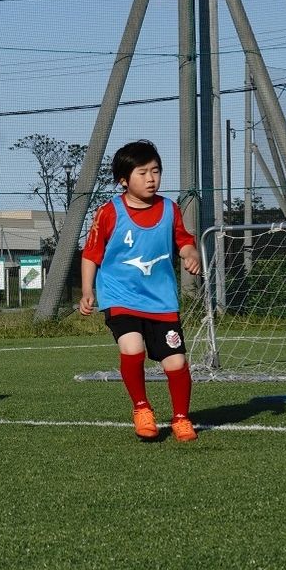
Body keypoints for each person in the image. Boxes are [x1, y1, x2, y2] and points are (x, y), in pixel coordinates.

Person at [78, 140, 202, 442]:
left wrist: (191, 254)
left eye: (155, 171)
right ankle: (142, 408)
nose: (151, 179)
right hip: (120, 296)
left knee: (176, 362)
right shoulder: (109, 212)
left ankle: (181, 418)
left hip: (161, 300)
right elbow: (91, 253)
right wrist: (87, 290)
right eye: (143, 172)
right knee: (132, 347)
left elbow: (184, 241)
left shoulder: (170, 209)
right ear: (124, 179)